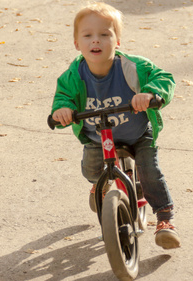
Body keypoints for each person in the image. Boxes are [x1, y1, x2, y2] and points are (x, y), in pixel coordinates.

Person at [50, 2, 180, 249]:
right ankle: (100, 187)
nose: (95, 41)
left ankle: (165, 219)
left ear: (117, 40)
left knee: (149, 172)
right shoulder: (74, 75)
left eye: (104, 34)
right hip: (98, 136)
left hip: (137, 132)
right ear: (77, 44)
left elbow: (163, 78)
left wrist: (150, 94)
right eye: (87, 35)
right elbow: (63, 96)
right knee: (91, 171)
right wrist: (62, 111)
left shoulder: (132, 67)